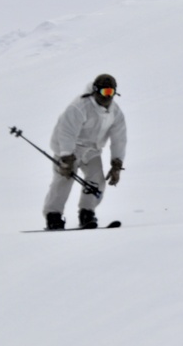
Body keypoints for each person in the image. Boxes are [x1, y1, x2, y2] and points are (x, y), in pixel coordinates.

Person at [43, 73, 127, 230]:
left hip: (92, 150)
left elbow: (119, 138)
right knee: (64, 179)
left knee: (97, 180)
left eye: (111, 92)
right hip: (68, 148)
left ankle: (87, 213)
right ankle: (53, 215)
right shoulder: (80, 107)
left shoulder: (115, 112)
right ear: (95, 90)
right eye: (104, 92)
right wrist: (66, 158)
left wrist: (117, 163)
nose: (107, 97)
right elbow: (66, 132)